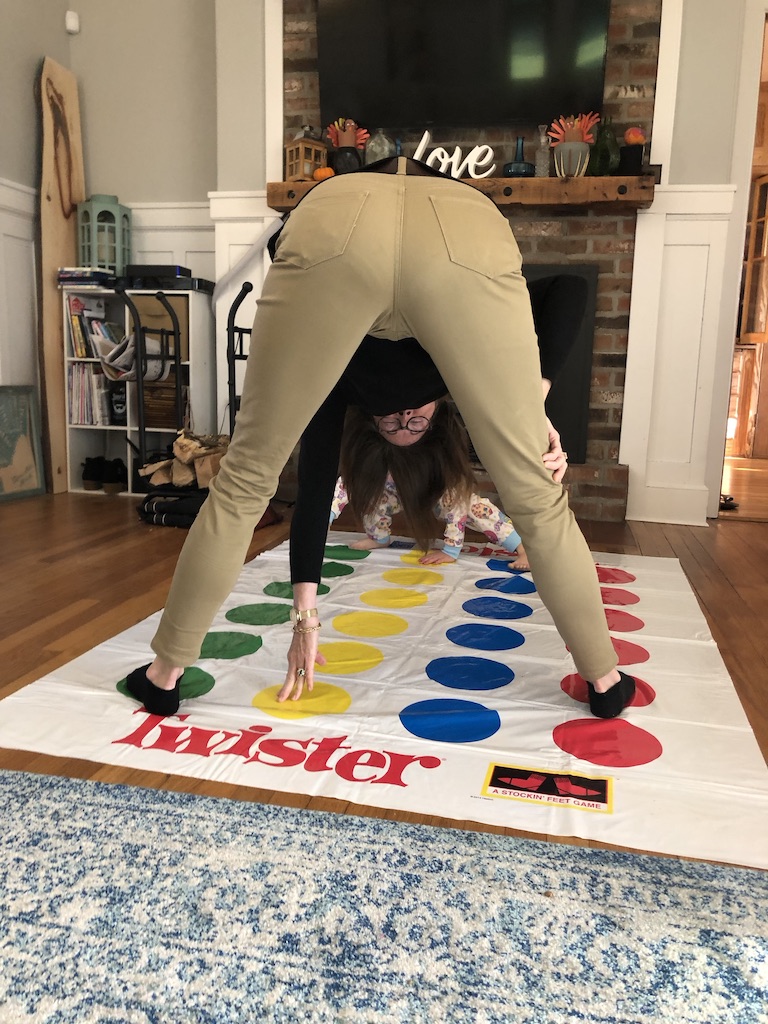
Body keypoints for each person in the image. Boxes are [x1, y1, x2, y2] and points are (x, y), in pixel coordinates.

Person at [126, 156, 635, 722]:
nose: (404, 418)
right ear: (440, 419)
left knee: (243, 485)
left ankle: (164, 674)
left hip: (336, 220)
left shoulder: (347, 381)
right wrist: (530, 395)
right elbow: (567, 290)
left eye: (400, 425)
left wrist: (306, 617)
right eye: (409, 425)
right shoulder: (454, 373)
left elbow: (315, 487)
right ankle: (604, 679)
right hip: (461, 225)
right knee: (537, 498)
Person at [328, 414, 531, 569]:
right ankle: (378, 537)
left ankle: (523, 548)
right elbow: (344, 488)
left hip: (439, 493)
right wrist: (323, 520)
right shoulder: (373, 453)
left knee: (477, 509)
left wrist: (451, 550)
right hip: (399, 489)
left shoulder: (441, 470)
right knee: (372, 496)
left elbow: (457, 511)